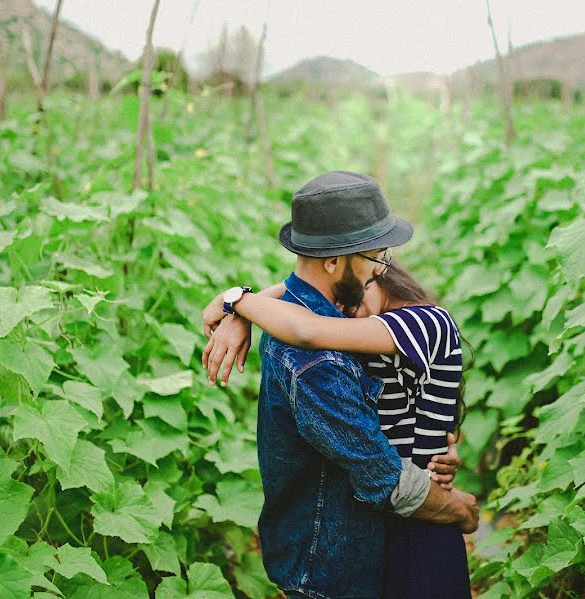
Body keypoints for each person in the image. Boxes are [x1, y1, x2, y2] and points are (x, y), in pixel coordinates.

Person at [202, 171, 477, 599]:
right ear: (333, 261)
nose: (379, 270)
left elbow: (305, 309)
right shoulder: (318, 352)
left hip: (392, 531)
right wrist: (462, 510)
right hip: (347, 555)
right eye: (374, 258)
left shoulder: (404, 320)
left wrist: (237, 303)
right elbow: (383, 478)